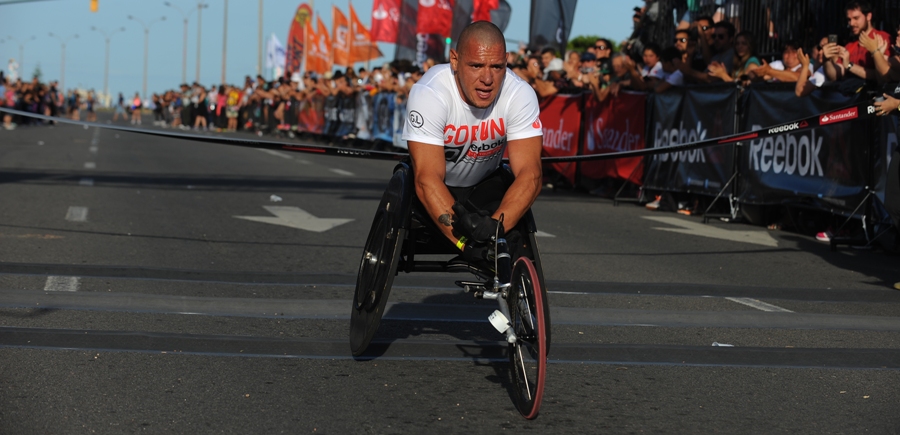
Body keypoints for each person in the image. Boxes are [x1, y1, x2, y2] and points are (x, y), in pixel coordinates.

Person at [401, 21, 543, 267]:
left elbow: (531, 174)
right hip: (438, 184)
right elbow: (427, 179)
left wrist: (495, 228)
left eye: (497, 67)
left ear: (506, 61)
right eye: (476, 65)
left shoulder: (519, 93)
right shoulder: (430, 93)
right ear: (455, 60)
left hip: (484, 186)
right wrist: (466, 244)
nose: (487, 78)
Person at [823, 0, 891, 83]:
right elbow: (834, 76)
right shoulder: (850, 46)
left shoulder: (883, 38)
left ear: (868, 16)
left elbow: (884, 74)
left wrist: (850, 66)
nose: (851, 23)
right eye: (849, 19)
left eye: (856, 18)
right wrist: (826, 60)